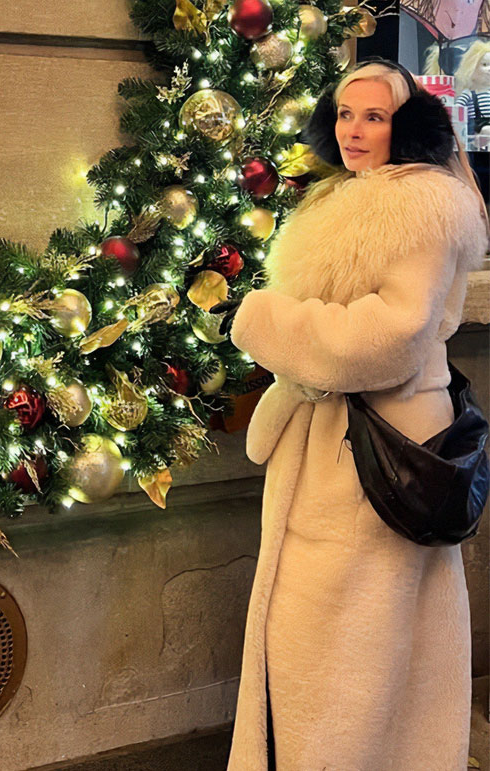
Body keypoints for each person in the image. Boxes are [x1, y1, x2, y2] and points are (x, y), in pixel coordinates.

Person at [223, 58, 490, 770]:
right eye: (345, 113)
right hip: (338, 444)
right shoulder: (343, 196)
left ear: (404, 126)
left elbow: (393, 336)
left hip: (380, 451)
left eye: (374, 116)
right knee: (338, 652)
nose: (354, 129)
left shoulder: (420, 203)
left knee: (355, 656)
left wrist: (268, 323)